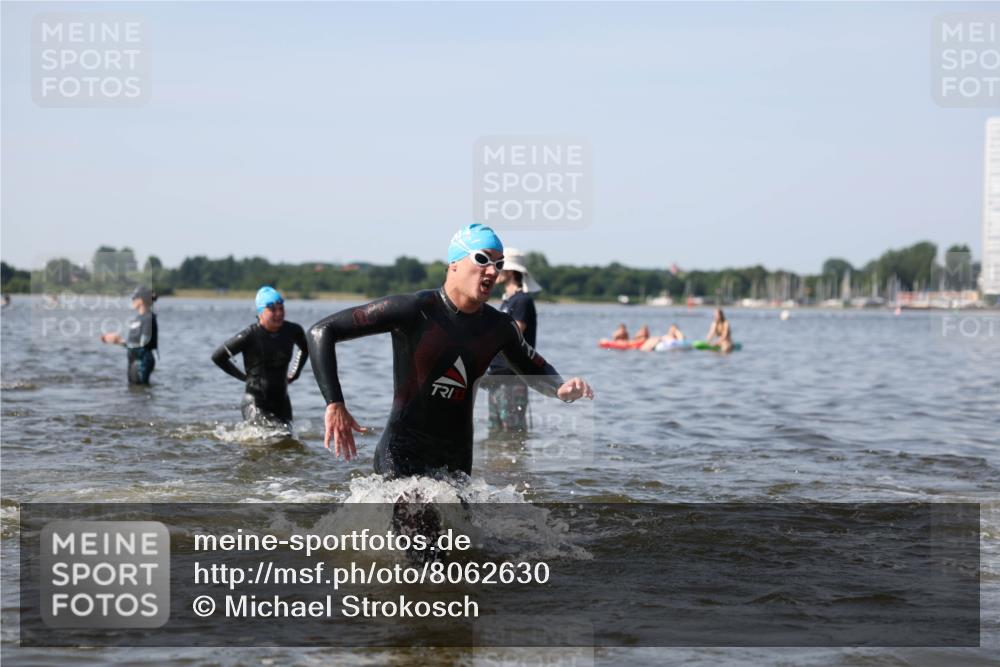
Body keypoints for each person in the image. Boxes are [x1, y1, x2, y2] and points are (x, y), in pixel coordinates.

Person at [308, 223, 594, 478]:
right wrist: (335, 403)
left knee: (459, 538)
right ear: (454, 263)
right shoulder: (414, 310)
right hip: (402, 455)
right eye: (482, 259)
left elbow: (535, 367)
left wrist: (561, 388)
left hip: (456, 460)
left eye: (499, 263)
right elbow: (322, 331)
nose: (493, 271)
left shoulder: (500, 327)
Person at [211, 286, 308, 425]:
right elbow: (218, 357)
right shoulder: (249, 335)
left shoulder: (293, 331)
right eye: (273, 309)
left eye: (281, 308)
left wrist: (295, 374)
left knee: (287, 438)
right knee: (275, 435)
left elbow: (305, 349)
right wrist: (243, 377)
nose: (279, 313)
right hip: (255, 402)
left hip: (282, 402)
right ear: (261, 312)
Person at [486, 248, 542, 433]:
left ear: (509, 271)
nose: (494, 272)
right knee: (495, 431)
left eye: (499, 267)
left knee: (512, 430)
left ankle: (514, 460)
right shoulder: (508, 301)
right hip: (498, 376)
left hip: (513, 376)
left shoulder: (522, 301)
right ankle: (497, 462)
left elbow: (513, 333)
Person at [100, 286, 158, 385]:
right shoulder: (138, 318)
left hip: (143, 360)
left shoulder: (148, 318)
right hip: (134, 359)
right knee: (134, 391)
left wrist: (119, 341)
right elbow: (133, 343)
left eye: (133, 298)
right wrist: (117, 340)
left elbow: (143, 344)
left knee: (139, 391)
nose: (132, 300)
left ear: (141, 300)